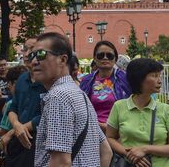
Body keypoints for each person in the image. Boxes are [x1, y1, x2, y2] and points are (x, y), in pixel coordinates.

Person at [31, 32, 111, 167]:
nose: (34, 61)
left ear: (62, 60)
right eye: (31, 55)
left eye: (41, 54)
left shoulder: (58, 97)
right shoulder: (80, 94)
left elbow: (61, 162)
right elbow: (106, 151)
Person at [106, 58, 169, 167]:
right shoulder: (119, 106)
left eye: (159, 76)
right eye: (155, 76)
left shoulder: (166, 109)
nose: (159, 80)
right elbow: (110, 138)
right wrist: (129, 154)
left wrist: (145, 149)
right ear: (139, 79)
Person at [2, 37, 47, 167]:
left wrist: (15, 130)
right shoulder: (22, 78)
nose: (27, 54)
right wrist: (16, 125)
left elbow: (47, 114)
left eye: (32, 49)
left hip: (38, 142)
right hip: (17, 141)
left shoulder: (48, 80)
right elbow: (13, 107)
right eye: (25, 49)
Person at [79, 40, 132, 133]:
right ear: (95, 58)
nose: (105, 58)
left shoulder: (125, 79)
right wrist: (97, 125)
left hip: (120, 131)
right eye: (100, 55)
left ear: (115, 59)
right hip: (93, 130)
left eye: (109, 55)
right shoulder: (86, 81)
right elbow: (80, 109)